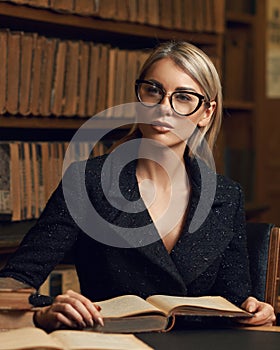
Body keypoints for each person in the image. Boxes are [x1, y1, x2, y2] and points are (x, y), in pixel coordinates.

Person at [0, 41, 275, 331]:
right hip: (113, 344)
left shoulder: (226, 196)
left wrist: (255, 309)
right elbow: (13, 283)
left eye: (183, 98)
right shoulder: (88, 182)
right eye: (153, 91)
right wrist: (46, 311)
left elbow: (235, 300)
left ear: (206, 113)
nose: (163, 109)